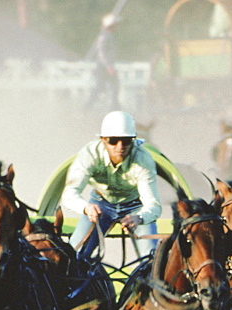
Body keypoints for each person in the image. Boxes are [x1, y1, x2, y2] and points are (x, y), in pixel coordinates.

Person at [62, 111, 162, 260]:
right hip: (100, 205)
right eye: (113, 140)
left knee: (151, 260)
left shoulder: (143, 159)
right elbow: (69, 193)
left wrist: (139, 218)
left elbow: (153, 205)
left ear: (133, 141)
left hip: (136, 207)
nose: (120, 146)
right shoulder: (89, 155)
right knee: (74, 256)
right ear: (103, 140)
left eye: (126, 141)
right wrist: (86, 207)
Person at [86, 13, 120, 111]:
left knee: (115, 86)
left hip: (107, 67)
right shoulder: (104, 36)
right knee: (100, 88)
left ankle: (115, 107)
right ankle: (87, 107)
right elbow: (101, 53)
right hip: (103, 67)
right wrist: (108, 66)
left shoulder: (109, 36)